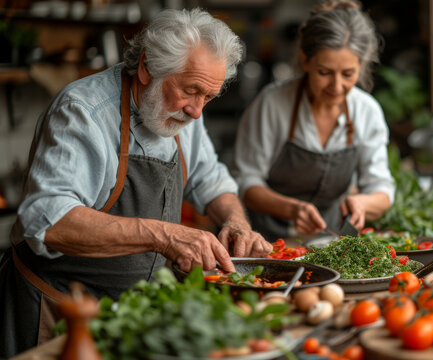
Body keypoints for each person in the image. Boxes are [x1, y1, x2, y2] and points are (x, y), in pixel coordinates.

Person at [0, 8, 272, 357]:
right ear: (146, 67)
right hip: (60, 313)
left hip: (132, 315)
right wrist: (164, 235)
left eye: (208, 97)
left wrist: (235, 221)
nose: (197, 111)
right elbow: (49, 222)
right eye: (190, 91)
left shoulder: (185, 111)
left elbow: (211, 179)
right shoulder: (83, 111)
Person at [232, 0, 395, 241]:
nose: (337, 86)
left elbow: (382, 190)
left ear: (361, 66)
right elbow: (245, 182)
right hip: (266, 243)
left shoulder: (367, 111)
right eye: (324, 72)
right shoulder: (272, 105)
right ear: (305, 60)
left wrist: (363, 203)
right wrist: (291, 209)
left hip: (329, 243)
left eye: (348, 74)